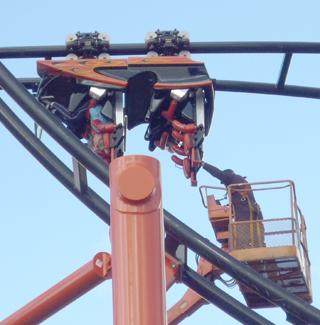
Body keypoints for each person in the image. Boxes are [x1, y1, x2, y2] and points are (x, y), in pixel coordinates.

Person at [202, 161, 264, 249]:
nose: (224, 185)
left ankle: (245, 249)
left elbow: (218, 173)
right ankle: (258, 248)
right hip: (254, 213)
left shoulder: (231, 177)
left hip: (245, 213)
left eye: (223, 183)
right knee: (256, 237)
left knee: (243, 235)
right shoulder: (240, 183)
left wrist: (203, 164)